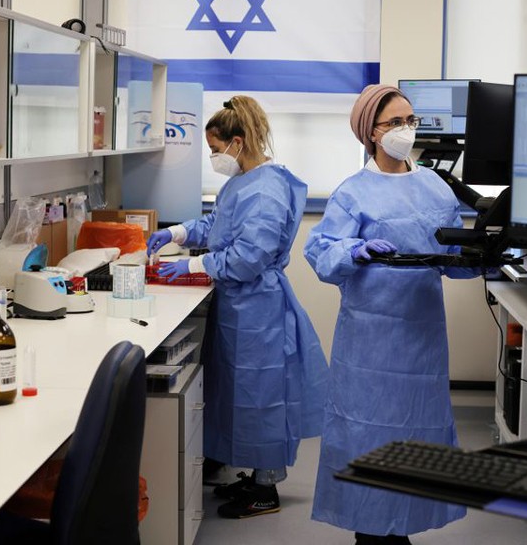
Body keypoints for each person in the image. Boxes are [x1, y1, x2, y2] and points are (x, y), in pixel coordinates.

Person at [304, 84, 480, 544]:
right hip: (369, 345)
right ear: (371, 132)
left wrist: (489, 253)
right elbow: (319, 251)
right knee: (368, 441)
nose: (405, 130)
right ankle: (373, 532)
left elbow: (451, 259)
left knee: (415, 442)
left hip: (421, 341)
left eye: (410, 120)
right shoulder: (352, 193)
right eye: (394, 123)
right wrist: (354, 249)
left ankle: (399, 530)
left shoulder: (435, 187)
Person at [147, 96, 328, 520]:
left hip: (259, 310)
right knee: (239, 394)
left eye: (214, 150)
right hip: (240, 307)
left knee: (261, 396)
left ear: (237, 142)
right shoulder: (242, 180)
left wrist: (194, 263)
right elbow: (217, 225)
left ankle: (266, 487)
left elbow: (249, 256)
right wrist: (177, 233)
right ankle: (255, 473)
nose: (213, 158)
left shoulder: (267, 188)